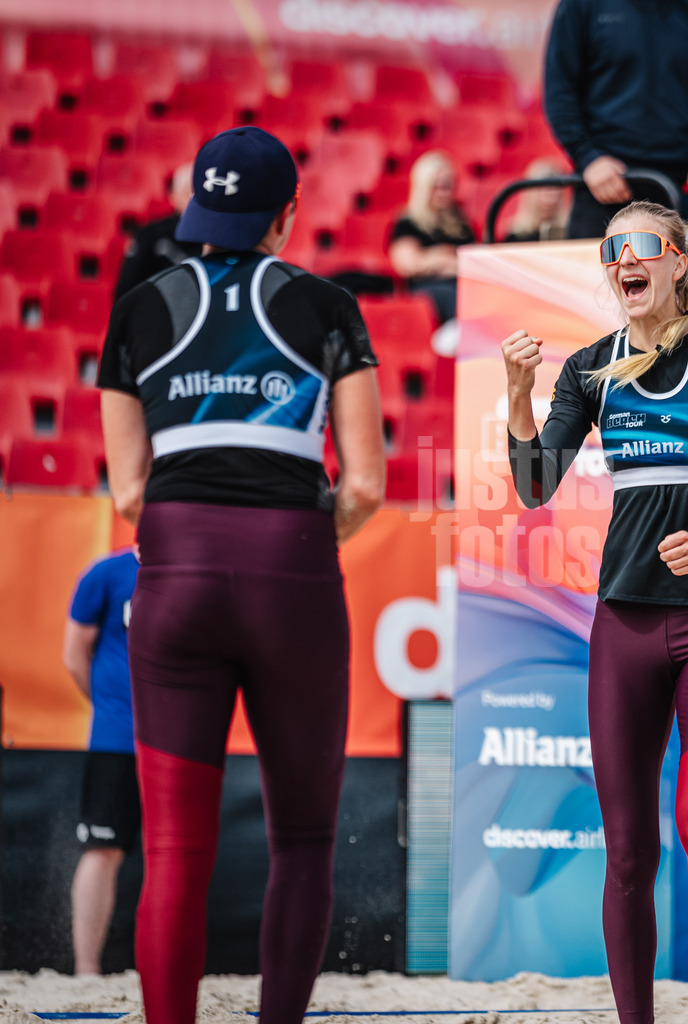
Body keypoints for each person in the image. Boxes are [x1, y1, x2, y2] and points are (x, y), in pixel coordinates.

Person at [98, 125, 386, 1024]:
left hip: (174, 563)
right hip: (290, 562)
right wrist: (297, 541)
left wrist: (194, 538)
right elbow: (370, 482)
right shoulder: (328, 304)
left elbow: (128, 488)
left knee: (175, 848)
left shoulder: (140, 306)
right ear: (287, 218)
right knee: (302, 840)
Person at [501, 200, 688, 1024]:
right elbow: (533, 485)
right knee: (626, 851)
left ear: (679, 262)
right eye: (612, 248)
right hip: (623, 625)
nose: (625, 260)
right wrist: (518, 395)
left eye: (643, 246)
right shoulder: (590, 367)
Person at [543, 0, 688, 239]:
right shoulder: (580, 6)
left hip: (677, 189)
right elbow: (559, 92)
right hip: (603, 187)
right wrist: (588, 159)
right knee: (594, 276)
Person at [63, 545, 141, 976]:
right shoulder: (109, 573)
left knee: (181, 855)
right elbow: (74, 655)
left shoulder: (196, 566)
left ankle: (168, 968)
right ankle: (87, 971)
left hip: (180, 741)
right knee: (102, 849)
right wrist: (112, 708)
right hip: (117, 740)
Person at [387, 150, 476, 323]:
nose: (444, 193)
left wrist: (433, 259)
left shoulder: (461, 223)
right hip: (429, 292)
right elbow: (408, 265)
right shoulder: (408, 222)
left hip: (461, 285)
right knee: (454, 297)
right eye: (437, 187)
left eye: (447, 186)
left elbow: (473, 262)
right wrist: (444, 256)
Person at [113, 162, 202, 299]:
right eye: (187, 192)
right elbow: (126, 290)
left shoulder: (216, 237)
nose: (192, 199)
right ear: (173, 196)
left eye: (199, 193)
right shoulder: (150, 235)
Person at [501, 157, 571, 244]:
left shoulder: (571, 232)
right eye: (543, 190)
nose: (550, 198)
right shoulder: (516, 235)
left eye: (554, 190)